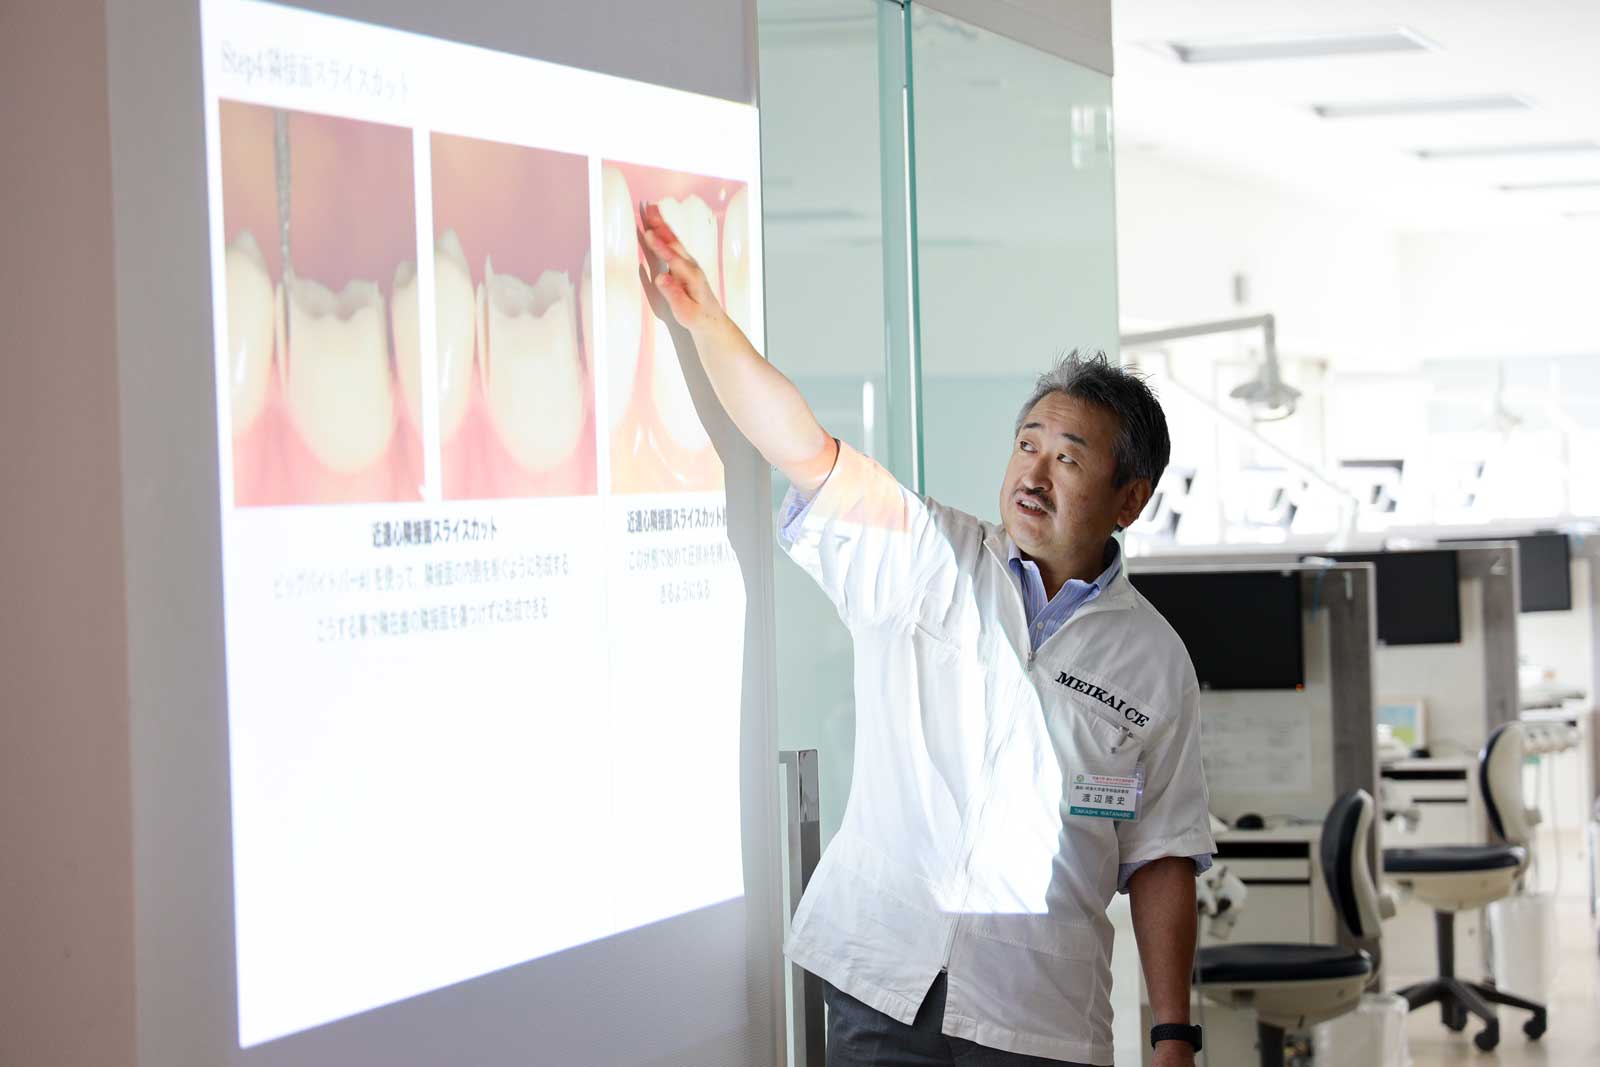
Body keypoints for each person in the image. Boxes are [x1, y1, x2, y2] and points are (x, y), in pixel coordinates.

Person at [640, 204, 1214, 1067]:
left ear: (1129, 498)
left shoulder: (1155, 660)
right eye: (1027, 443)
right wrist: (709, 323)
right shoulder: (929, 554)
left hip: (1037, 1013)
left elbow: (1162, 852)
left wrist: (1173, 1029)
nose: (1034, 471)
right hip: (884, 976)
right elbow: (804, 449)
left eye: (1068, 456)